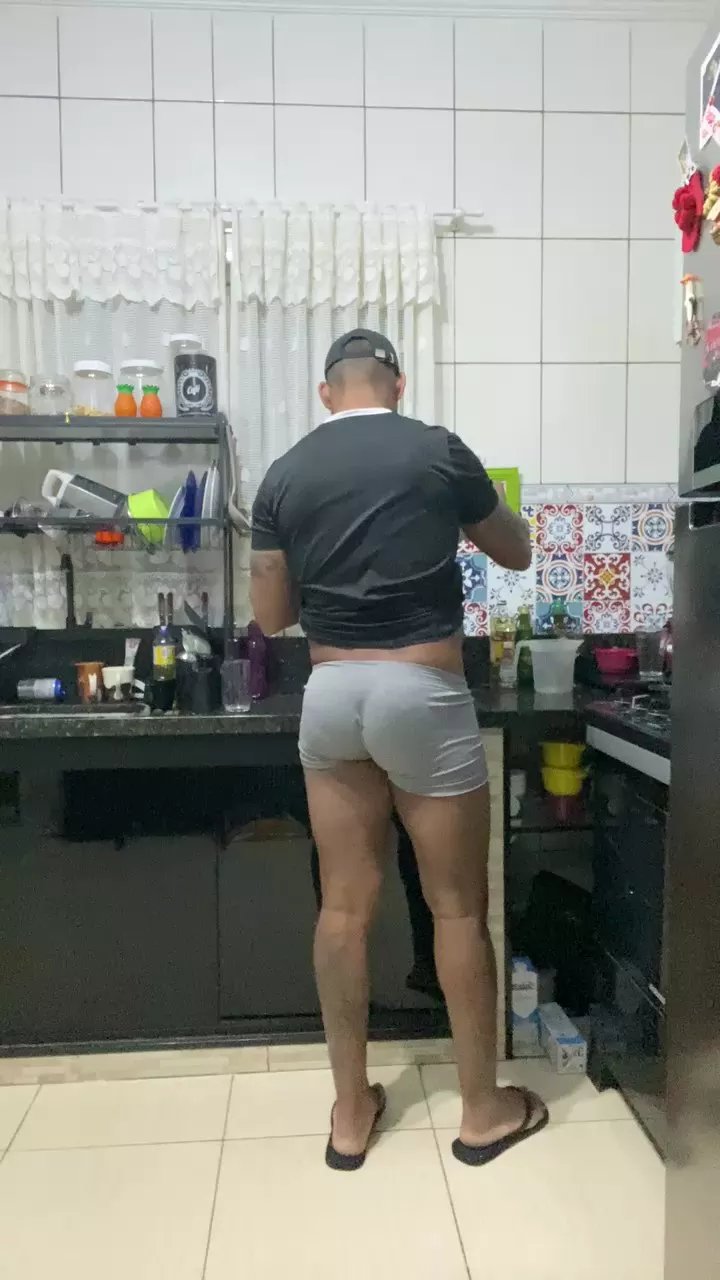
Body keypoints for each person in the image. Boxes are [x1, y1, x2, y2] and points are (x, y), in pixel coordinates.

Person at [250, 329, 548, 1171]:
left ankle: (350, 1114)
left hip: (332, 694)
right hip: (423, 690)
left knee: (344, 909)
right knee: (457, 909)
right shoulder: (437, 450)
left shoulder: (285, 473)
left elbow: (270, 616)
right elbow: (517, 550)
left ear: (327, 393)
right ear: (399, 384)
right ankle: (482, 1111)